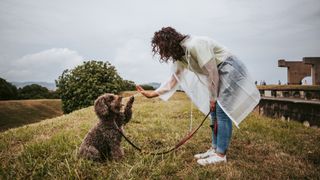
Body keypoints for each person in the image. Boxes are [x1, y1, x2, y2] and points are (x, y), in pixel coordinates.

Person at [136, 27, 260, 165]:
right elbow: (173, 81)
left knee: (221, 111)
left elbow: (212, 72)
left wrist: (213, 98)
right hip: (217, 74)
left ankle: (220, 155)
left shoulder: (196, 44)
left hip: (230, 69)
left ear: (169, 43)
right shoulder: (180, 57)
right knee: (213, 112)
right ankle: (214, 149)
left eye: (161, 48)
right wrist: (152, 94)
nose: (161, 52)